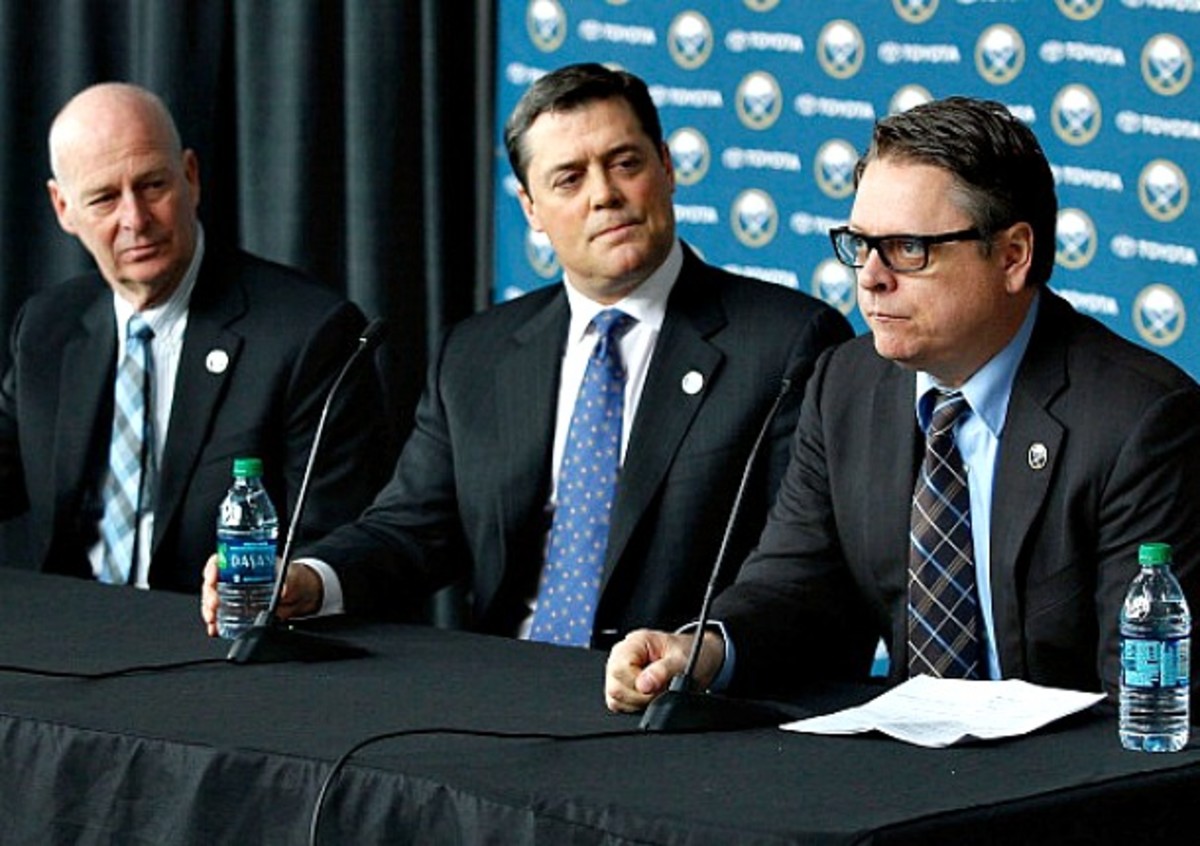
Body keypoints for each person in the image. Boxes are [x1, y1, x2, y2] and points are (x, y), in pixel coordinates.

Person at [202, 62, 853, 648]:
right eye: (569, 179)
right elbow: (411, 530)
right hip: (504, 689)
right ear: (532, 209)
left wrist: (705, 650)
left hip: (682, 700)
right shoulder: (477, 354)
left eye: (625, 163)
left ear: (667, 167)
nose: (604, 194)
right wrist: (310, 580)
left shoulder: (785, 344)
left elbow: (797, 571)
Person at [605, 96, 1200, 710]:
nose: (870, 276)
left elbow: (1150, 699)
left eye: (908, 248)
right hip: (906, 774)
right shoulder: (845, 383)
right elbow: (795, 588)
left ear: (1013, 256)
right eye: (859, 244)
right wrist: (703, 653)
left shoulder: (1139, 421)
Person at [0, 82, 387, 593]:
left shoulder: (307, 335)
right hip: (72, 641)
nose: (135, 220)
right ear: (63, 208)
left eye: (153, 186)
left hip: (217, 646)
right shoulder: (48, 326)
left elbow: (335, 545)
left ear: (191, 177)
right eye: (104, 199)